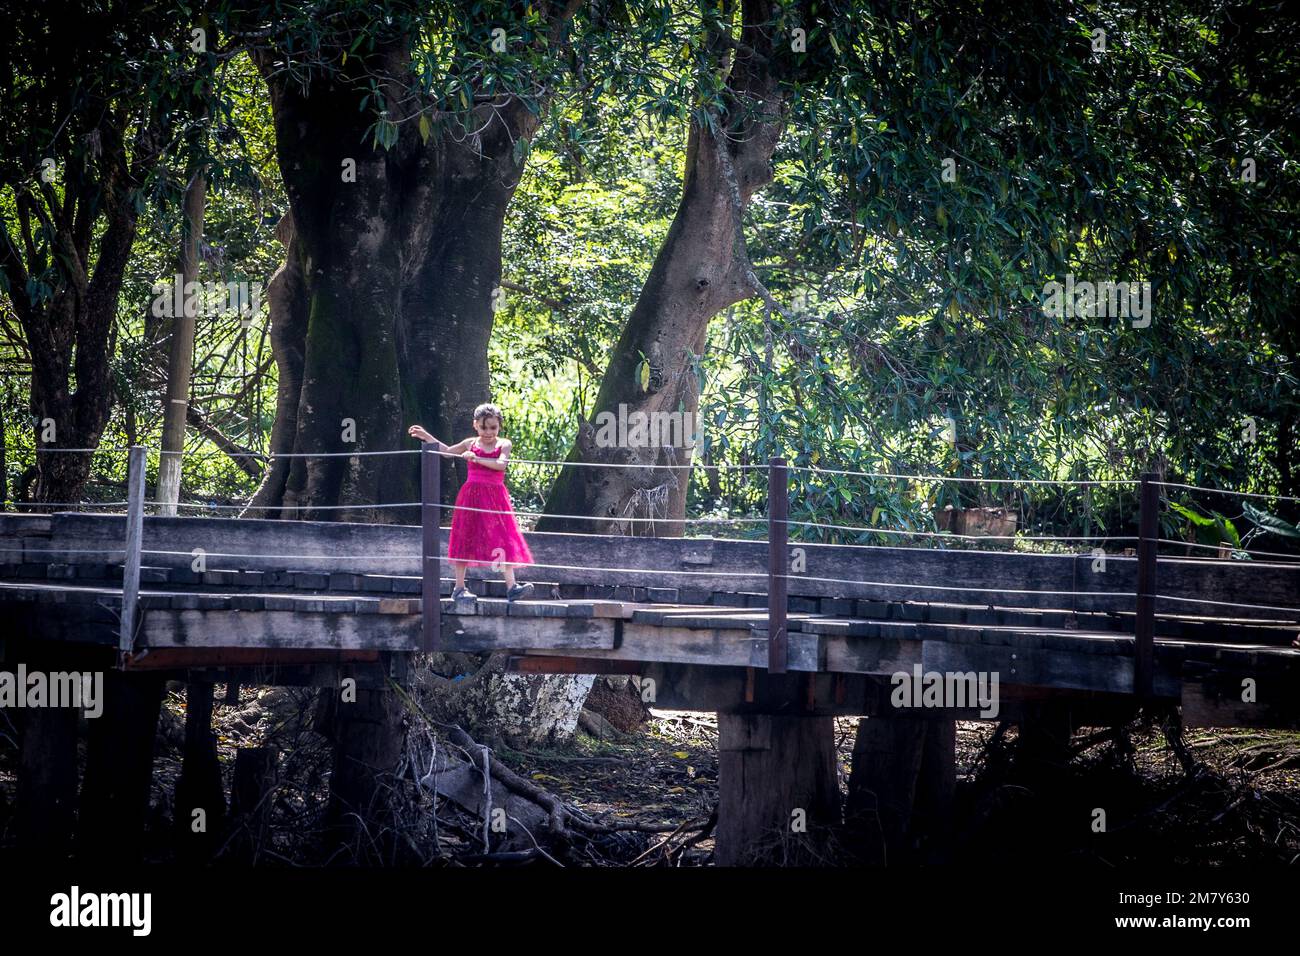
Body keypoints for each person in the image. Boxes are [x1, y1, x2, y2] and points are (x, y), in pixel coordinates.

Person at [408, 403, 535, 601]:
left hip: (495, 497)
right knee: (465, 536)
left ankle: (512, 587)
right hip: (471, 495)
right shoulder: (470, 443)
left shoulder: (504, 444)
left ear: (499, 426)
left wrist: (475, 459)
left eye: (493, 427)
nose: (488, 432)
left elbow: (501, 465)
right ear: (475, 425)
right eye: (484, 427)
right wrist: (427, 436)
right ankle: (459, 587)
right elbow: (447, 451)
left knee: (502, 537)